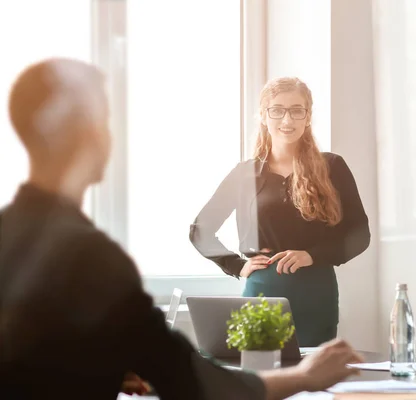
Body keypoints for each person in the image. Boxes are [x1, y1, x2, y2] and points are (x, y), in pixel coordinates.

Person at [0, 58, 364, 400]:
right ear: (90, 137)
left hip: (314, 298)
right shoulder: (96, 259)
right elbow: (187, 378)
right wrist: (303, 378)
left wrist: (106, 365)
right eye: (105, 121)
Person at [190, 76, 370, 347]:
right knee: (260, 375)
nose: (287, 120)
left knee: (313, 380)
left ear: (308, 117)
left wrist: (311, 255)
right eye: (277, 110)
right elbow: (200, 231)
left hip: (316, 293)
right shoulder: (245, 174)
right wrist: (237, 266)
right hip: (263, 291)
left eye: (297, 110)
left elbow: (359, 234)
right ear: (264, 116)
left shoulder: (332, 166)